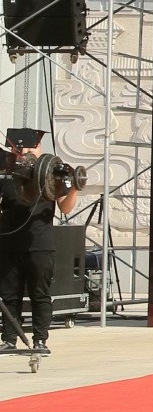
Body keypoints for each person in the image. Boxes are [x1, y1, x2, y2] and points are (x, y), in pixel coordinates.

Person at [0, 129, 77, 357]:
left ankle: (40, 340)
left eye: (30, 148)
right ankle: (9, 340)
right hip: (9, 242)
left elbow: (65, 207)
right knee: (9, 294)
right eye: (19, 148)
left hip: (40, 244)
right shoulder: (7, 175)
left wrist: (74, 186)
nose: (24, 152)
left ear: (39, 149)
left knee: (39, 293)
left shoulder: (50, 173)